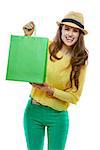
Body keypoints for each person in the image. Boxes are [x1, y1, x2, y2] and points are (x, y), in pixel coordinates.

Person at [23, 11, 88, 150]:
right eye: (67, 29)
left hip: (57, 116)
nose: (70, 34)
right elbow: (26, 62)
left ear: (79, 35)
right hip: (33, 111)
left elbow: (74, 96)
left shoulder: (80, 60)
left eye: (75, 31)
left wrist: (50, 90)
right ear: (61, 30)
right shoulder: (47, 46)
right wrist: (27, 37)